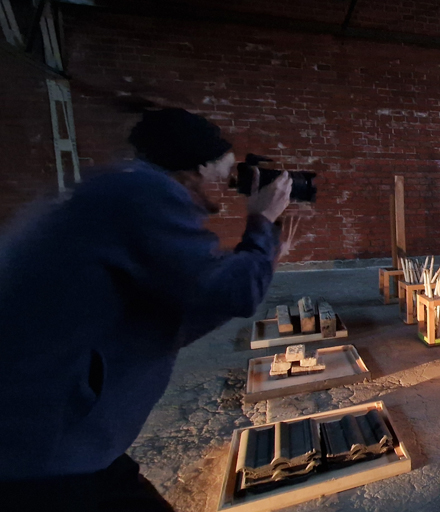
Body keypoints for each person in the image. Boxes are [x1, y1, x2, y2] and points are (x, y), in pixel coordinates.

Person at [0, 108, 294, 511]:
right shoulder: (141, 195)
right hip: (43, 449)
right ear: (197, 168)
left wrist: (262, 257)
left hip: (53, 440)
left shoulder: (116, 190)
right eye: (226, 174)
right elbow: (230, 293)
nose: (230, 187)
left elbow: (180, 308)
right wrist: (262, 221)